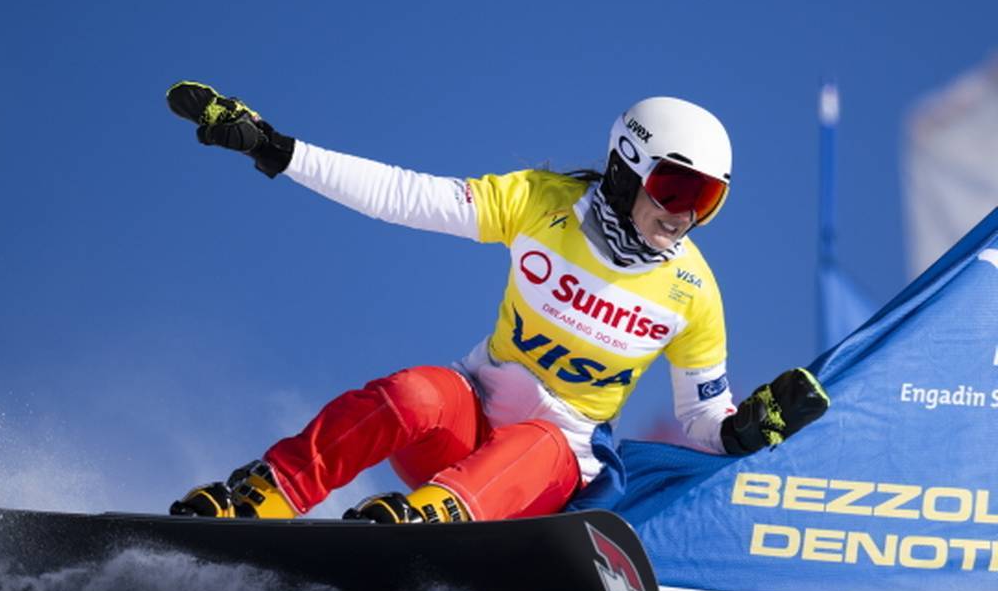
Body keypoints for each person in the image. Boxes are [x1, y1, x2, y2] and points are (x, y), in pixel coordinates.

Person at [165, 82, 829, 524]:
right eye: (676, 188)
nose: (685, 215)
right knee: (416, 392)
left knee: (541, 440)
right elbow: (403, 196)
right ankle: (267, 494)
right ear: (626, 166)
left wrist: (742, 430)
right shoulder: (540, 204)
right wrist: (277, 149)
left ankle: (435, 522)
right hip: (458, 434)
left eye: (707, 198)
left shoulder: (693, 293)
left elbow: (702, 416)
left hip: (544, 478)